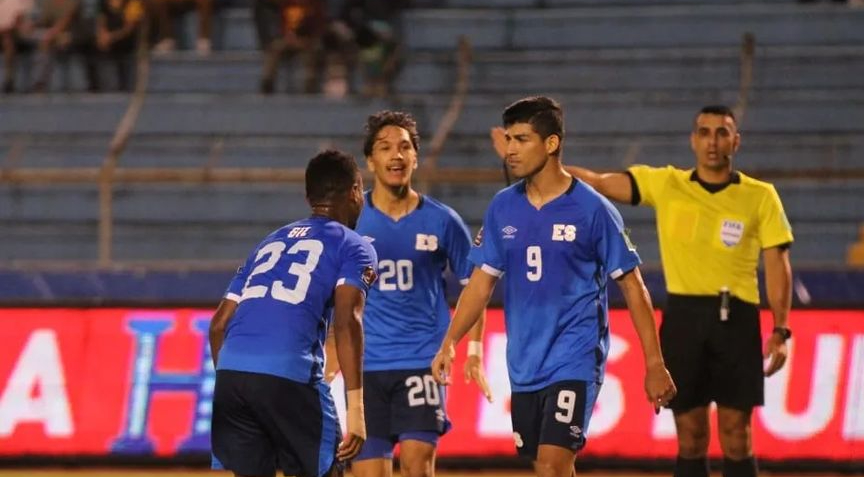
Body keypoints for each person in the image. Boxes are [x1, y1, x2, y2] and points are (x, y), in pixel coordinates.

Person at [536, 104, 793, 477]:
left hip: (736, 319)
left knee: (738, 434)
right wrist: (541, 164)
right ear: (693, 140)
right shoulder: (667, 184)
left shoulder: (761, 196)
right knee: (690, 435)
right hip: (684, 319)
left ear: (736, 141)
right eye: (704, 132)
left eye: (722, 133)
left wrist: (781, 329)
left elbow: (777, 264)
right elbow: (600, 182)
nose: (712, 141)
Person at [432, 96, 677, 477]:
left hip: (575, 356)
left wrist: (654, 363)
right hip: (525, 361)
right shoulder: (502, 208)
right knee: (544, 464)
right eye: (509, 139)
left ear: (552, 144)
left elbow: (632, 286)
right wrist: (451, 340)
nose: (510, 150)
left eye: (522, 139)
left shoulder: (592, 209)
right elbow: (480, 284)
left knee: (552, 463)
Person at [326, 110, 492, 477]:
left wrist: (474, 350)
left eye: (404, 147)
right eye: (385, 148)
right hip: (365, 368)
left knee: (417, 465)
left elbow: (476, 284)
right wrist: (331, 349)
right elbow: (332, 293)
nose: (396, 155)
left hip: (422, 361)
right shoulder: (350, 221)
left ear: (416, 157)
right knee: (370, 473)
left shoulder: (442, 220)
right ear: (370, 160)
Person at [208, 149, 378, 477]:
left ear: (308, 197)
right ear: (356, 191)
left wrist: (240, 384)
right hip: (290, 375)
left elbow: (218, 326)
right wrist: (355, 410)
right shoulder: (354, 245)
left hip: (231, 377)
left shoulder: (268, 242)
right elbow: (347, 321)